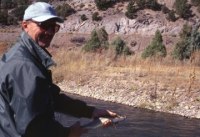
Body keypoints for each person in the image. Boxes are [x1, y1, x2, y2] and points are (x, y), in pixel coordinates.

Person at [0, 2, 117, 137]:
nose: (50, 32)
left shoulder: (26, 56)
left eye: (53, 27)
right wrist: (67, 133)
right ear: (25, 25)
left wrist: (90, 111)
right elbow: (32, 126)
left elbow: (51, 98)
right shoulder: (24, 66)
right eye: (44, 25)